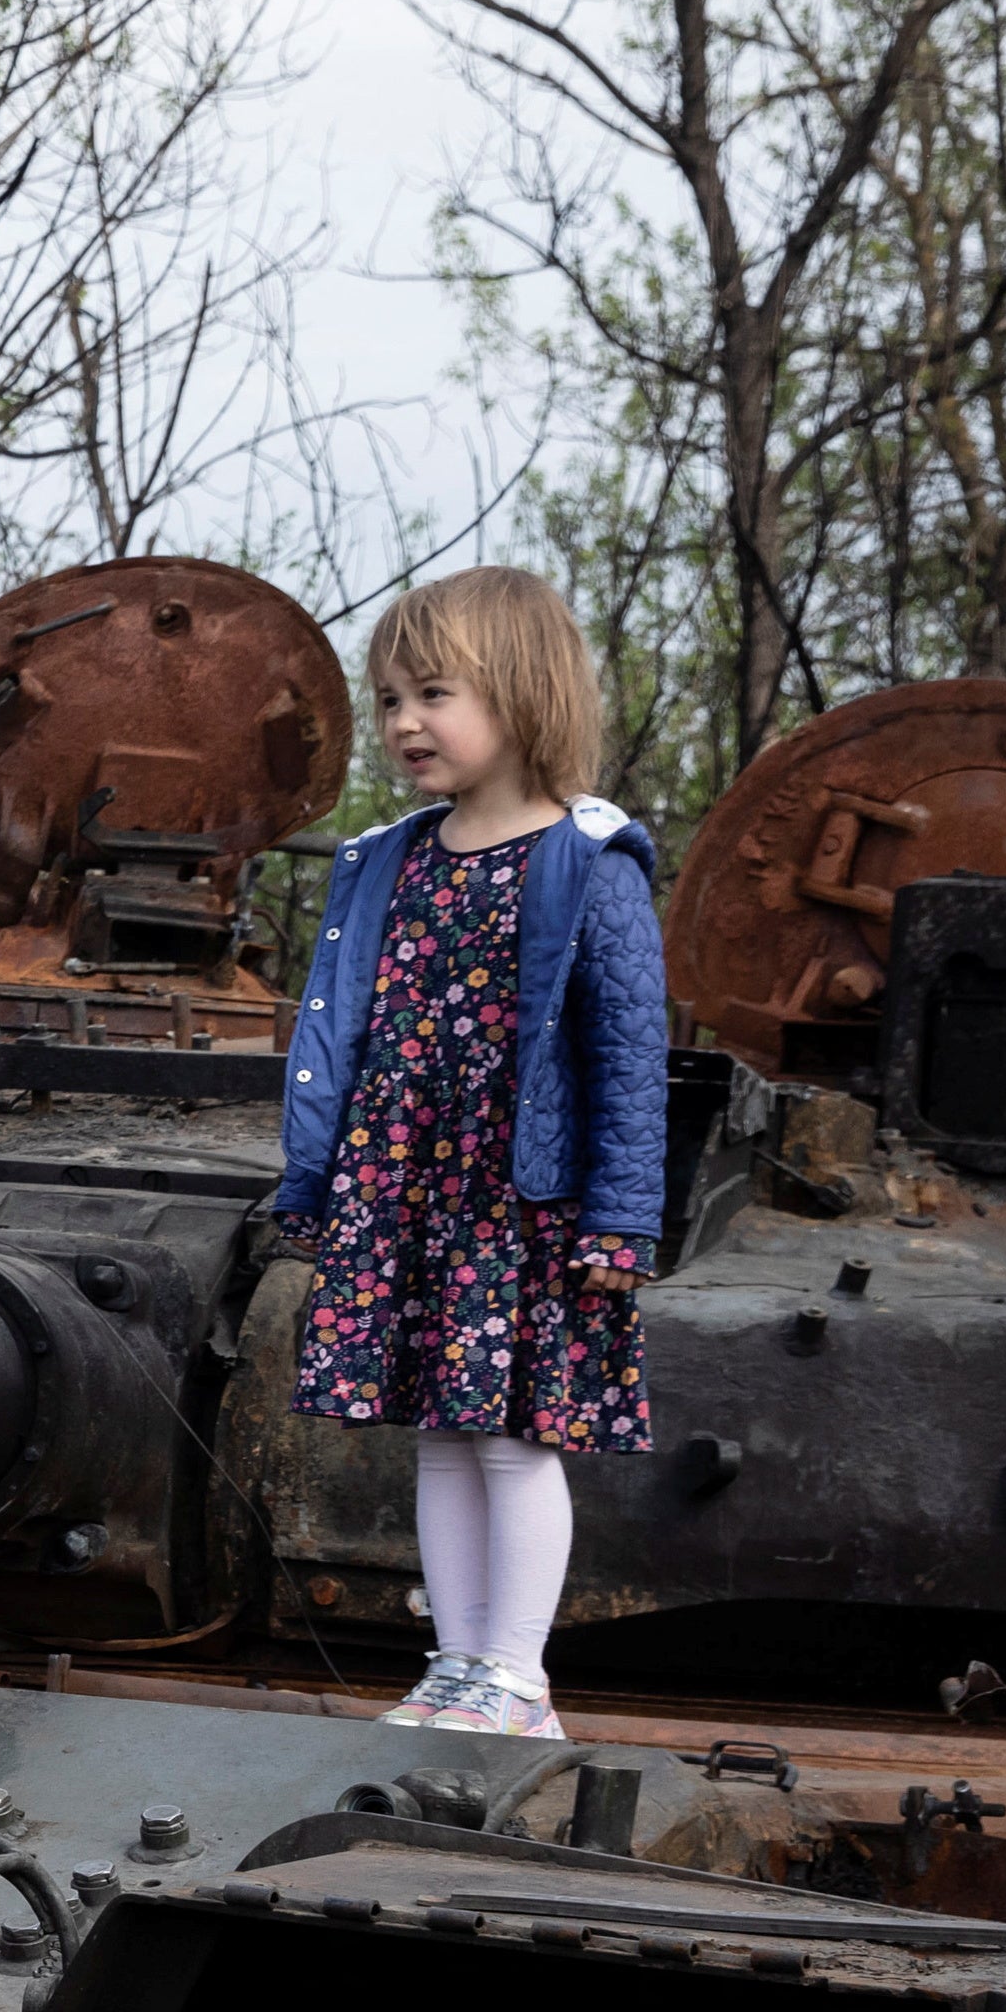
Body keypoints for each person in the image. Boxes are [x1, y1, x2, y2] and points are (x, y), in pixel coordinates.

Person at [271, 567, 663, 1740]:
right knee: (440, 1428)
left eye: (432, 693)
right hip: (407, 1186)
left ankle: (517, 1677)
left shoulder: (589, 861)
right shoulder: (387, 859)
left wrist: (620, 1217)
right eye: (388, 698)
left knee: (513, 1434)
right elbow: (334, 1030)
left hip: (521, 1196)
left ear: (525, 693)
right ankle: (455, 1667)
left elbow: (632, 1051)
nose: (401, 724)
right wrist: (318, 1180)